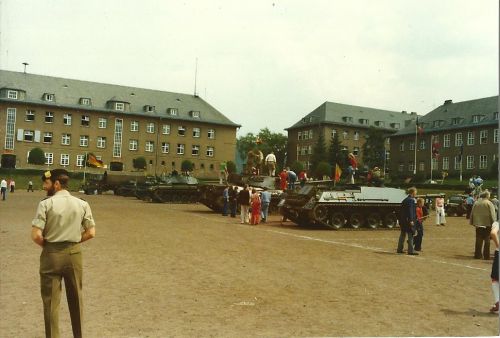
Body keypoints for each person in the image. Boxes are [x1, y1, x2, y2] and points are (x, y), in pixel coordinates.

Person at [31, 169, 96, 338]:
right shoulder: (82, 204)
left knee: (51, 303)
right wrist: (74, 241)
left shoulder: (46, 204)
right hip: (74, 254)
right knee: (76, 300)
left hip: (51, 254)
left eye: (47, 183)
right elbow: (91, 232)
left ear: (57, 184)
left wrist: (50, 245)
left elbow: (36, 235)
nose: (45, 187)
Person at [470, 190, 497, 260]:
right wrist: (494, 223)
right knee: (487, 240)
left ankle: (477, 255)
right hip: (487, 224)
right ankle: (486, 256)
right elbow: (492, 214)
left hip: (478, 224)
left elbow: (472, 213)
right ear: (487, 196)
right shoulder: (489, 203)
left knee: (478, 239)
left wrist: (472, 222)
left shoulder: (476, 203)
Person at [397, 187, 419, 255]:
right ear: (413, 193)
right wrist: (411, 220)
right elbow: (410, 211)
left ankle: (399, 249)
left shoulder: (404, 200)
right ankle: (410, 250)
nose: (416, 194)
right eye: (415, 193)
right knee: (410, 235)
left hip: (403, 220)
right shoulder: (411, 200)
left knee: (402, 234)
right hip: (408, 220)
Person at [489, 221, 499, 313]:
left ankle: (497, 303)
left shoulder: (497, 222)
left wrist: (498, 245)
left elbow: (493, 233)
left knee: (495, 279)